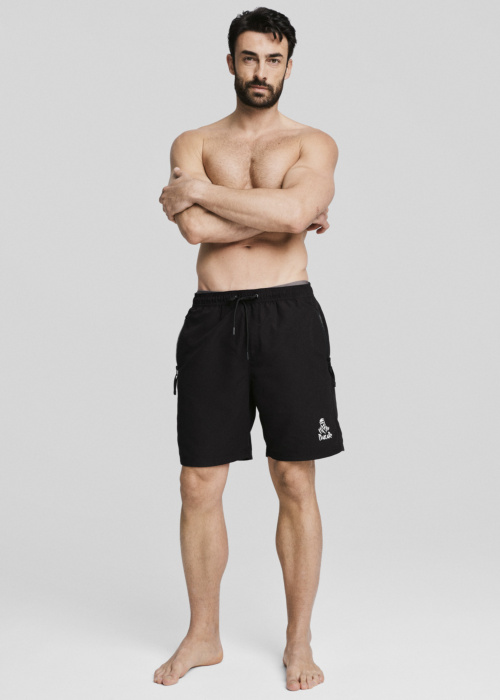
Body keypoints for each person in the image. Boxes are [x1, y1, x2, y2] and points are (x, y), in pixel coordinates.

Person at [156, 6, 344, 692]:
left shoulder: (312, 142)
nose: (260, 71)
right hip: (212, 321)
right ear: (230, 62)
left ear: (289, 65)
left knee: (294, 479)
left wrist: (207, 196)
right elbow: (192, 231)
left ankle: (299, 641)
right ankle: (203, 634)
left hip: (288, 316)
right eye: (249, 57)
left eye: (273, 59)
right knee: (198, 482)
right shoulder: (193, 140)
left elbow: (285, 213)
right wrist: (279, 214)